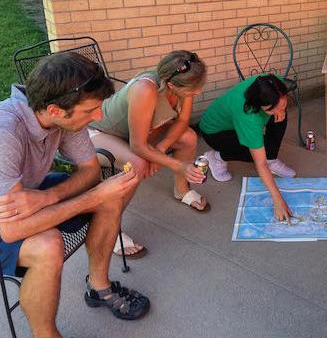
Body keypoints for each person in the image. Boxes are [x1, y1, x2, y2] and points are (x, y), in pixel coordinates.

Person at [0, 52, 150, 337]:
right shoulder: (5, 132)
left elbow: (90, 171)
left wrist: (48, 198)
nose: (98, 117)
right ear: (55, 110)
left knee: (110, 193)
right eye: (91, 110)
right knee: (48, 245)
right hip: (5, 218)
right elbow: (11, 230)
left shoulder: (61, 116)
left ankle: (99, 287)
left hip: (29, 191)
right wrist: (91, 198)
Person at [89, 50, 209, 243]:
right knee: (137, 163)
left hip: (138, 133)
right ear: (171, 85)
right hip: (100, 132)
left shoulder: (182, 80)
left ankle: (181, 190)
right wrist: (178, 165)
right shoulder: (145, 89)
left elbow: (182, 121)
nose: (198, 92)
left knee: (188, 137)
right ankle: (108, 228)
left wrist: (160, 149)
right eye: (194, 90)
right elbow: (138, 146)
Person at [199, 74, 296, 222]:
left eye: (282, 104)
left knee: (279, 120)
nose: (278, 110)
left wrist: (280, 109)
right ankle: (216, 157)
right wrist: (278, 200)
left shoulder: (272, 83)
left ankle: (272, 158)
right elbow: (260, 163)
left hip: (234, 123)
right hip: (215, 132)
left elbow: (279, 104)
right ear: (259, 105)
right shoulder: (248, 117)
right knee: (258, 154)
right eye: (271, 109)